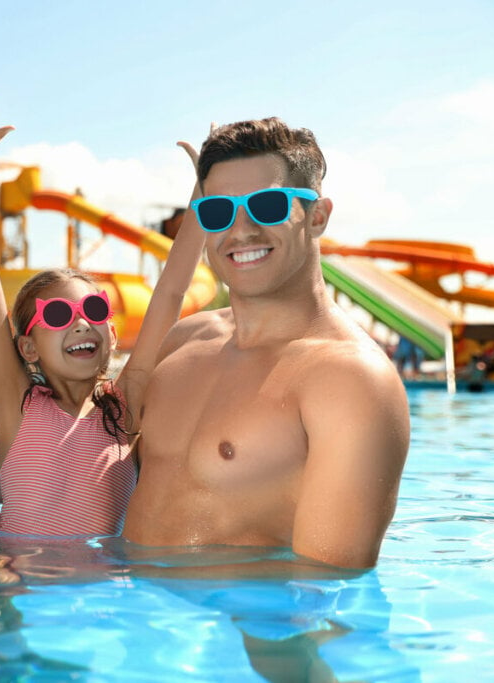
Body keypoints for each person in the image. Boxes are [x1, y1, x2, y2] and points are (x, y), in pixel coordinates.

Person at [122, 117, 410, 571]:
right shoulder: (183, 342)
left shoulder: (348, 381)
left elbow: (323, 590)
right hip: (119, 621)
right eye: (217, 211)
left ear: (317, 216)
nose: (241, 231)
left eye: (268, 206)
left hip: (226, 636)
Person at [0, 83, 206, 536]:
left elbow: (172, 292)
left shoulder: (126, 406)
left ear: (113, 336)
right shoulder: (17, 404)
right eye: (58, 316)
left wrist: (202, 196)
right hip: (17, 587)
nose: (81, 322)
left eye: (95, 311)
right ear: (28, 347)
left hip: (104, 591)